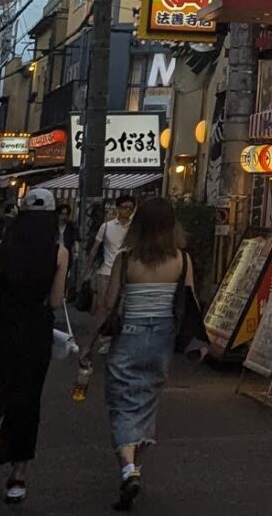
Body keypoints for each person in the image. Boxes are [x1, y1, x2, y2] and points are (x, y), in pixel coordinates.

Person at [78, 197, 194, 511]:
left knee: (121, 403)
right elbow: (189, 304)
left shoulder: (126, 260)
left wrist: (88, 345)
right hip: (163, 339)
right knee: (146, 402)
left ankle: (128, 468)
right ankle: (134, 470)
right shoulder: (182, 260)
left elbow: (106, 306)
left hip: (129, 336)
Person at [0, 188, 68, 514]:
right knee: (27, 401)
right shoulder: (59, 253)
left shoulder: (1, 247)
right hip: (36, 330)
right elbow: (55, 301)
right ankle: (19, 478)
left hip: (4, 326)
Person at [86, 195, 135, 353]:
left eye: (130, 208)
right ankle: (104, 339)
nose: (127, 211)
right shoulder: (106, 227)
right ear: (117, 208)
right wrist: (89, 269)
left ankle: (115, 339)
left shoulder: (134, 228)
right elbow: (95, 248)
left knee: (122, 307)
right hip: (106, 271)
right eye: (124, 207)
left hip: (127, 273)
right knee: (104, 307)